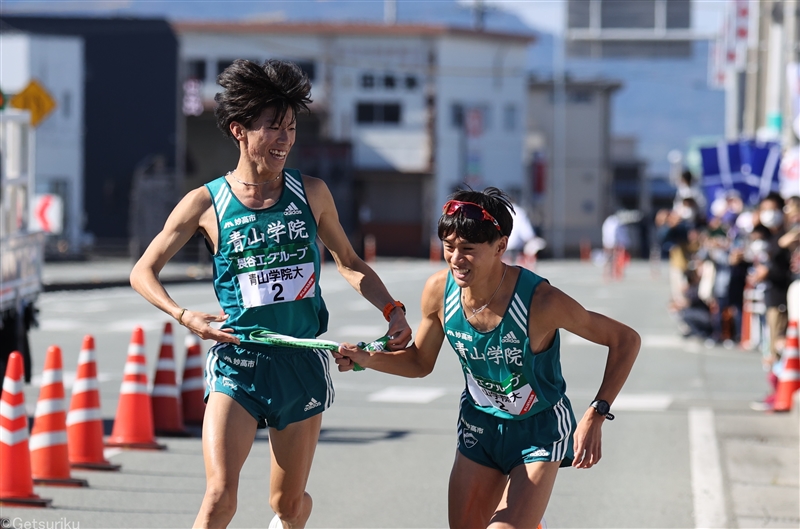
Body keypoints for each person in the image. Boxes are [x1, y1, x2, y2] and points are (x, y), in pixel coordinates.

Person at [129, 59, 411, 529]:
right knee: (219, 498)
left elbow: (349, 262)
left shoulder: (311, 193)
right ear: (239, 130)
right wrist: (184, 315)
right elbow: (143, 271)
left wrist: (392, 310)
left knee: (287, 505)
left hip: (299, 365)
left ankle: (294, 513)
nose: (284, 140)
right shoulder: (206, 202)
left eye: (291, 128)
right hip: (238, 362)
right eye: (272, 128)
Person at [333, 187, 640, 528]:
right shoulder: (439, 290)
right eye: (449, 247)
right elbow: (420, 362)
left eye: (468, 249)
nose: (455, 259)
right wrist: (367, 359)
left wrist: (597, 412)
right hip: (480, 425)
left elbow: (625, 339)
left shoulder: (542, 302)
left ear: (500, 247)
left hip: (537, 429)